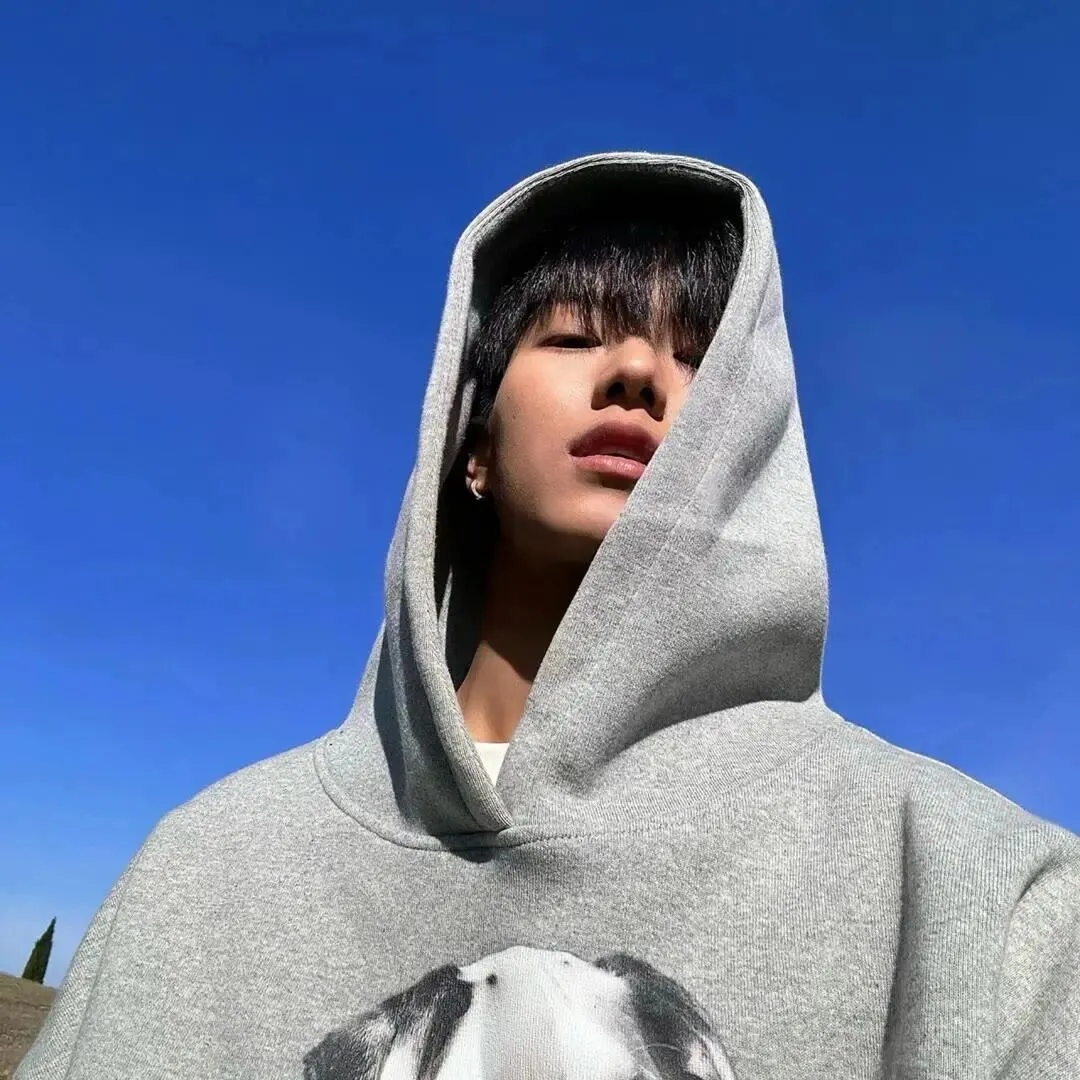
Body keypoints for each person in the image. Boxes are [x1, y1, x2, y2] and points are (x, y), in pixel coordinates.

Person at [17, 153, 1079, 1080]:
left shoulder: (979, 895)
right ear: (471, 450)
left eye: (701, 360)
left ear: (751, 454)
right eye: (573, 336)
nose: (638, 371)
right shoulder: (209, 869)